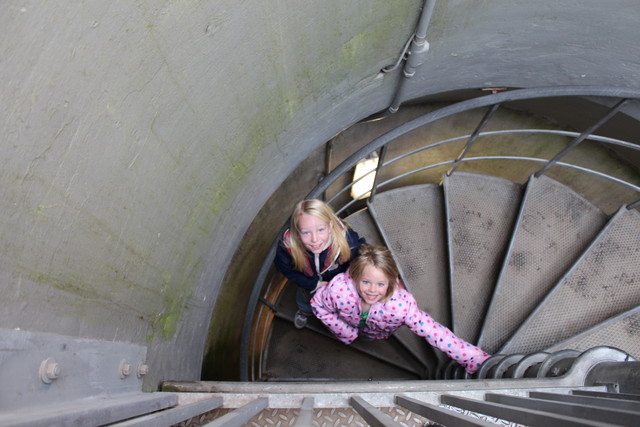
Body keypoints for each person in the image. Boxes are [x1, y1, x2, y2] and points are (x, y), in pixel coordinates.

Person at [310, 245, 491, 374]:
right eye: (366, 282)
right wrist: (345, 331)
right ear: (355, 277)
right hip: (352, 324)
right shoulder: (339, 291)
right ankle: (360, 335)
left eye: (380, 284)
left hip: (378, 331)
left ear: (393, 281)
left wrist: (472, 358)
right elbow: (317, 303)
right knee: (359, 336)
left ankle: (367, 336)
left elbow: (435, 332)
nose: (372, 290)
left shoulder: (400, 307)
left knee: (369, 337)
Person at [274, 199, 367, 329]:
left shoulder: (346, 240)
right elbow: (286, 269)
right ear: (297, 232)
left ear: (329, 226)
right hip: (309, 282)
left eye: (320, 230)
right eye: (306, 232)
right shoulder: (288, 246)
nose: (315, 239)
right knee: (305, 298)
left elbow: (361, 255)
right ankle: (305, 311)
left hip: (338, 283)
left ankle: (336, 316)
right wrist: (314, 284)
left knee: (337, 303)